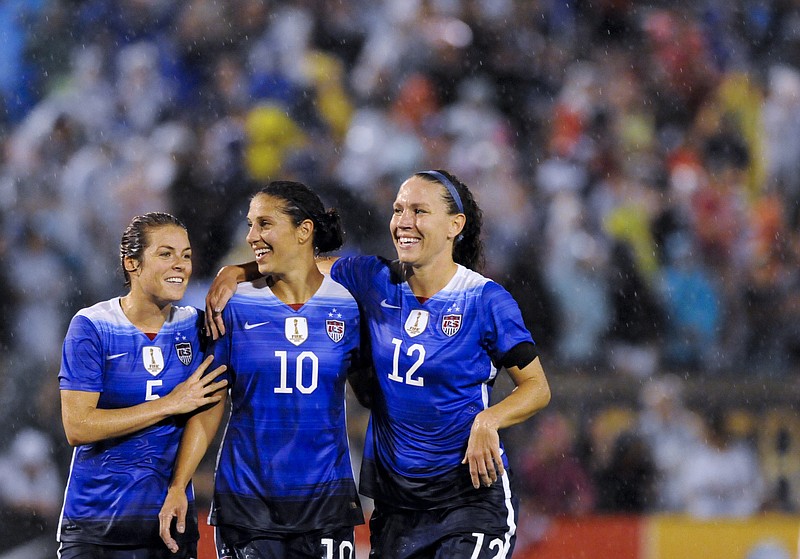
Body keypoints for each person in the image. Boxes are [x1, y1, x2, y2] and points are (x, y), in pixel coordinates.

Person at [209, 169, 552, 558]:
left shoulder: (486, 300)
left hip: (468, 498)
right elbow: (298, 259)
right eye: (398, 209)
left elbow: (537, 387)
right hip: (396, 506)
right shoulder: (373, 278)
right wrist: (235, 271)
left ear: (455, 225)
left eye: (419, 211)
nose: (404, 221)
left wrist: (489, 420)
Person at [158, 181, 364, 558]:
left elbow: (377, 394)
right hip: (248, 500)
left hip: (325, 500)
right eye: (250, 224)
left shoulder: (351, 305)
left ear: (304, 231)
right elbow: (210, 403)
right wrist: (178, 485)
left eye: (264, 224)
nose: (251, 235)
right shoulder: (233, 308)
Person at [57, 212, 228, 559]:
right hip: (95, 524)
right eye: (166, 254)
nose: (180, 265)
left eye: (186, 255)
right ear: (132, 264)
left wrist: (180, 484)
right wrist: (169, 403)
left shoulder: (197, 327)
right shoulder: (92, 326)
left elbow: (211, 402)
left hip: (169, 522)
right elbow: (77, 426)